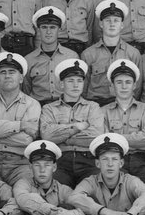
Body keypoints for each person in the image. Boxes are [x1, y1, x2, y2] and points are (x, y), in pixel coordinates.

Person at [39, 59, 105, 187]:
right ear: (61, 84)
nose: (76, 85)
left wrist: (65, 137)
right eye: (70, 81)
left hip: (88, 161)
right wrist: (77, 127)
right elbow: (47, 136)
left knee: (94, 190)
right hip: (60, 161)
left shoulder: (93, 107)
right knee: (55, 191)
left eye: (79, 81)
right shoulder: (49, 108)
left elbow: (96, 135)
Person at [0, 52, 40, 186]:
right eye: (3, 72)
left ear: (21, 78)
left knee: (23, 193)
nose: (7, 76)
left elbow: (26, 139)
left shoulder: (32, 104)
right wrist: (21, 125)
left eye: (12, 72)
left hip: (20, 163)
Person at [100, 59, 145, 187]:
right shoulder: (102, 112)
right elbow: (104, 143)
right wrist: (137, 139)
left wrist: (115, 138)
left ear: (134, 85)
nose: (124, 87)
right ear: (112, 86)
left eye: (128, 82)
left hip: (142, 160)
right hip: (114, 161)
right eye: (119, 82)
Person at [81, 0, 142, 106]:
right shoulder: (88, 54)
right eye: (108, 20)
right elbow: (84, 88)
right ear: (101, 23)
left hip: (124, 105)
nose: (112, 24)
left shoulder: (133, 54)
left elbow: (137, 87)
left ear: (122, 24)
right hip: (96, 105)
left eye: (116, 20)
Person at [24, 6, 79, 105]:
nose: (48, 32)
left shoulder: (71, 57)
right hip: (37, 107)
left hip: (64, 106)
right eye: (44, 27)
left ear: (59, 29)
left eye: (52, 27)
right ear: (38, 29)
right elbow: (26, 90)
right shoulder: (28, 60)